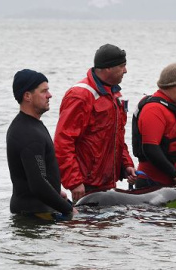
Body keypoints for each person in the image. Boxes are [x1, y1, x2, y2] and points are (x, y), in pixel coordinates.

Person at [54, 44, 136, 202]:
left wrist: (126, 164)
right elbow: (63, 141)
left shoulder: (114, 93)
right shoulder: (80, 95)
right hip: (86, 185)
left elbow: (117, 136)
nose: (125, 71)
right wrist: (74, 182)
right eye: (122, 66)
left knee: (109, 224)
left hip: (108, 182)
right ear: (107, 69)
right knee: (87, 226)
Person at [7, 69, 77, 220]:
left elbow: (38, 175)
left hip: (38, 209)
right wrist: (69, 210)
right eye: (44, 91)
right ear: (27, 96)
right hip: (35, 215)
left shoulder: (29, 125)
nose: (49, 95)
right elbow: (38, 184)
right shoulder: (28, 133)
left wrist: (56, 192)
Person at [131, 63, 176, 188]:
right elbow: (150, 149)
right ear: (171, 84)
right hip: (153, 184)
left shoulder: (175, 106)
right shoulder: (153, 110)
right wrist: (175, 174)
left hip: (175, 182)